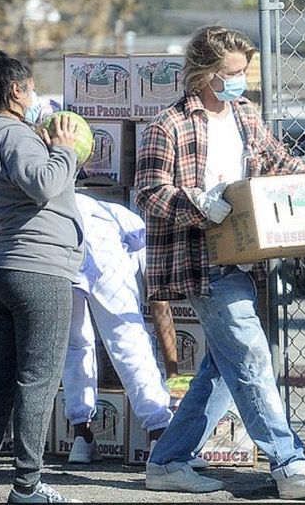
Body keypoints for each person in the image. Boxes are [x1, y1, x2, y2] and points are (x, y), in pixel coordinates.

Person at [135, 25, 305, 499]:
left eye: (242, 72)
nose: (240, 81)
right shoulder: (167, 126)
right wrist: (198, 203)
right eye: (231, 73)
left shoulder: (244, 115)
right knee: (250, 355)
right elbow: (148, 194)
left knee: (224, 368)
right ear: (204, 74)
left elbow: (278, 163)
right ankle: (289, 464)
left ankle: (167, 461)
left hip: (243, 259)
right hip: (200, 261)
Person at [0, 51, 83, 504]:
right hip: (38, 268)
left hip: (2, 267)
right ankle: (27, 486)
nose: (34, 95)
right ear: (14, 91)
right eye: (29, 87)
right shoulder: (13, 135)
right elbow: (43, 184)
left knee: (3, 380)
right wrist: (63, 149)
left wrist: (46, 148)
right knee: (38, 379)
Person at [61, 192, 207, 469]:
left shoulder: (107, 210)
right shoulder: (138, 230)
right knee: (127, 337)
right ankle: (159, 433)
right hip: (100, 242)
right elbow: (159, 307)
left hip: (60, 238)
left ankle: (81, 436)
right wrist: (172, 373)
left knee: (75, 341)